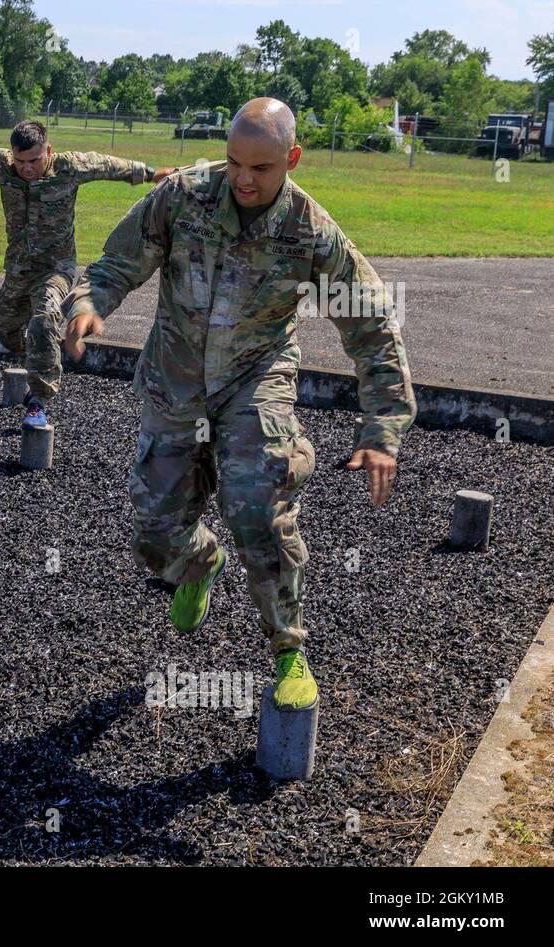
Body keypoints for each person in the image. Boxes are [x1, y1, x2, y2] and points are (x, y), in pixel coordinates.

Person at [60, 98, 416, 709]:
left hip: (257, 378)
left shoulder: (311, 231)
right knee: (154, 532)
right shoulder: (184, 197)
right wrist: (89, 305)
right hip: (176, 381)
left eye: (262, 168)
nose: (244, 180)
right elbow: (118, 261)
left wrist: (382, 428)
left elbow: (372, 325)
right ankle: (200, 562)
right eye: (234, 164)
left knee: (257, 504)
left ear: (292, 160)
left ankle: (288, 648)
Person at [0, 120, 170, 426]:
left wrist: (149, 173)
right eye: (21, 161)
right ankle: (38, 357)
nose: (27, 169)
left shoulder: (69, 167)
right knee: (7, 332)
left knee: (43, 321)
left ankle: (38, 399)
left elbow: (106, 165)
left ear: (48, 151)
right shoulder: (2, 165)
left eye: (34, 161)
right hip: (18, 268)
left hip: (56, 268)